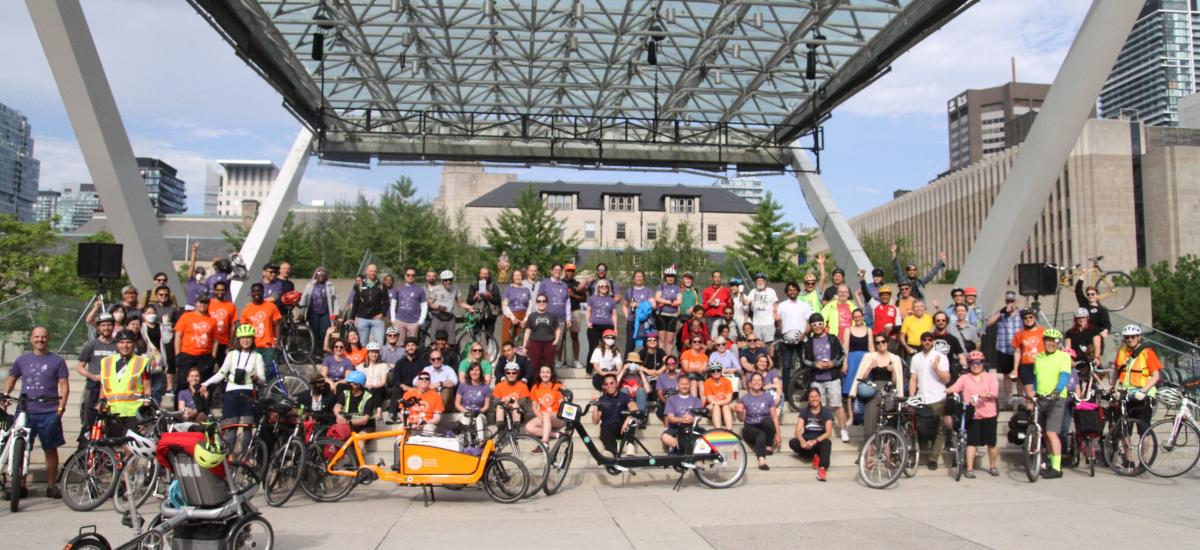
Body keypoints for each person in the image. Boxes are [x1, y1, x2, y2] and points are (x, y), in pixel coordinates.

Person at [3, 326, 69, 498]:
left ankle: (51, 486)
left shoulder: (57, 360)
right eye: (37, 337)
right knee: (21, 448)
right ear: (31, 339)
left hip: (49, 410)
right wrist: (4, 395)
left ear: (49, 338)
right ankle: (20, 486)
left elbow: (64, 385)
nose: (40, 339)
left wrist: (61, 409)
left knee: (50, 449)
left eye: (43, 337)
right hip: (25, 410)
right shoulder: (22, 360)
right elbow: (11, 379)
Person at [201, 324, 264, 449]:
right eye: (242, 338)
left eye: (248, 338)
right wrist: (206, 383)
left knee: (247, 428)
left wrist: (257, 378)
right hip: (232, 393)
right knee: (230, 428)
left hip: (248, 394)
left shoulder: (257, 356)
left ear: (252, 339)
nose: (245, 340)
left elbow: (263, 380)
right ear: (238, 340)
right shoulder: (232, 354)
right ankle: (228, 456)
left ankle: (245, 456)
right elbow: (221, 373)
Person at [945, 351, 1000, 478]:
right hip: (972, 415)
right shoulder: (965, 378)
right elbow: (955, 388)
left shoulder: (990, 377)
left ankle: (993, 466)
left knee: (991, 443)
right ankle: (969, 469)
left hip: (988, 414)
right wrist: (944, 391)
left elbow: (995, 393)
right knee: (971, 443)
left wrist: (986, 394)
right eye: (973, 363)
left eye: (979, 363)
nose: (976, 366)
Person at [1030, 329, 1072, 479]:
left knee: (1051, 433)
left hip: (1056, 399)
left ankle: (1057, 467)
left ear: (1058, 343)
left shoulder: (1064, 357)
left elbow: (1065, 376)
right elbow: (1036, 377)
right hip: (1041, 398)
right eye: (1048, 340)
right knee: (1044, 434)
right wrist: (1033, 392)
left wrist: (1057, 390)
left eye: (1053, 341)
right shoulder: (1039, 357)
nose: (1050, 343)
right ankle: (1050, 461)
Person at [802, 313, 848, 442]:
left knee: (837, 403)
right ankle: (820, 431)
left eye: (819, 323)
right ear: (811, 326)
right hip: (816, 378)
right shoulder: (809, 342)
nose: (817, 326)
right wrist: (815, 364)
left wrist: (834, 363)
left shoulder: (833, 338)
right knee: (817, 406)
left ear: (824, 324)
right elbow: (804, 359)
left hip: (833, 376)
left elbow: (842, 354)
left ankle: (843, 430)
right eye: (814, 324)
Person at [848, 334, 905, 438]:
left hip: (889, 390)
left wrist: (892, 371)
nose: (881, 344)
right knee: (870, 419)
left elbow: (896, 382)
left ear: (887, 343)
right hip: (873, 390)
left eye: (883, 341)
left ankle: (887, 448)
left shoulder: (895, 358)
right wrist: (870, 367)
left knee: (888, 420)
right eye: (878, 342)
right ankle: (868, 449)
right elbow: (861, 376)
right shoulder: (869, 356)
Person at [909, 332, 950, 470]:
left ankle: (934, 458)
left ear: (933, 341)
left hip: (937, 397)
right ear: (921, 341)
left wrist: (936, 369)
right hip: (921, 397)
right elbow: (913, 378)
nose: (927, 342)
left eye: (929, 339)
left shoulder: (941, 357)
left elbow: (947, 379)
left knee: (940, 429)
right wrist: (911, 397)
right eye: (924, 339)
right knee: (920, 427)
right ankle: (919, 454)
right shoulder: (916, 358)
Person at [99, 329, 151, 437]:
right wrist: (101, 402)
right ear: (117, 344)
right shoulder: (106, 362)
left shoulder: (142, 362)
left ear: (134, 344)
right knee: (112, 448)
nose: (125, 346)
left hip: (133, 413)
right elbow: (104, 385)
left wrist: (145, 414)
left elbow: (147, 389)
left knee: (130, 448)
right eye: (122, 342)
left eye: (129, 342)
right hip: (112, 412)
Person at [76, 312, 117, 437]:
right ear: (98, 327)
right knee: (89, 420)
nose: (106, 328)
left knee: (111, 422)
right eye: (103, 325)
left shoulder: (119, 344)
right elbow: (79, 367)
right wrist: (94, 377)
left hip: (113, 388)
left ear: (113, 326)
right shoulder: (92, 345)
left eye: (109, 325)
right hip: (93, 386)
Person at [1113, 324, 1161, 424]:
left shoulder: (1147, 353)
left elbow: (1156, 376)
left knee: (1144, 431)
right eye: (1127, 337)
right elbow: (1116, 370)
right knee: (1123, 430)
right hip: (1125, 394)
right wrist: (1112, 386)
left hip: (1142, 394)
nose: (1130, 339)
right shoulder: (1122, 352)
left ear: (1139, 337)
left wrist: (1143, 391)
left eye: (1133, 337)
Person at [776, 281, 813, 400]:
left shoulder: (805, 305)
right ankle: (786, 393)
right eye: (790, 290)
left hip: (802, 339)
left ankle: (806, 391)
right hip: (786, 341)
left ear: (798, 291)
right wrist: (780, 330)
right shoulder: (781, 305)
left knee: (805, 364)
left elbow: (810, 322)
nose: (792, 292)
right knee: (786, 366)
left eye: (794, 289)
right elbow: (778, 323)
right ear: (786, 292)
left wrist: (804, 334)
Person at [174, 295, 218, 395]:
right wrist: (178, 354)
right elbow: (178, 336)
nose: (203, 305)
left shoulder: (212, 320)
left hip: (204, 356)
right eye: (201, 302)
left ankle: (201, 407)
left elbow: (215, 340)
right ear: (196, 303)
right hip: (187, 354)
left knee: (203, 383)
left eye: (205, 303)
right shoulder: (186, 316)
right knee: (183, 382)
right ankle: (179, 407)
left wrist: (213, 357)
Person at [737, 372, 780, 470]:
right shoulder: (744, 398)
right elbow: (741, 419)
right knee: (761, 434)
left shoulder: (768, 397)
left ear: (763, 383)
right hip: (750, 429)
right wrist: (739, 412)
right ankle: (761, 460)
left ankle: (769, 445)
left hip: (763, 426)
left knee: (768, 421)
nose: (757, 382)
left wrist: (778, 435)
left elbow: (774, 417)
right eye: (754, 380)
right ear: (750, 383)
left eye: (759, 380)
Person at [790, 388, 834, 481]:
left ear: (820, 397)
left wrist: (814, 441)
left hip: (819, 441)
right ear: (808, 399)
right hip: (807, 440)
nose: (814, 399)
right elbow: (797, 431)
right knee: (793, 442)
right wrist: (802, 441)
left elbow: (828, 432)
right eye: (811, 397)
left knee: (827, 443)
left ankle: (822, 469)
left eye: (816, 396)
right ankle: (813, 456)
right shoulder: (804, 412)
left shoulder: (826, 412)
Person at [987, 291, 1022, 404]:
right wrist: (1001, 312)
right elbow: (988, 323)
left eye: (1012, 301)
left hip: (1018, 349)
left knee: (1020, 374)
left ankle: (1021, 396)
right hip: (1004, 348)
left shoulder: (1021, 313)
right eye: (1008, 301)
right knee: (1006, 375)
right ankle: (1008, 397)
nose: (1010, 303)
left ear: (1016, 301)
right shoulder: (1001, 314)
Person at [593, 373, 638, 457]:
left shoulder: (624, 396)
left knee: (632, 420)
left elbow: (634, 407)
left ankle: (630, 445)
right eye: (606, 384)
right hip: (609, 430)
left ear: (616, 383)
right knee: (605, 430)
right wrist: (596, 405)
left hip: (622, 429)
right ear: (604, 386)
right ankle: (610, 451)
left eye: (611, 383)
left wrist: (627, 420)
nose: (609, 386)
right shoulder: (602, 399)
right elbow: (595, 421)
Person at [240, 283, 282, 366]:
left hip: (268, 346)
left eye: (259, 291)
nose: (257, 293)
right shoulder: (247, 309)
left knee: (271, 371)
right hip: (252, 346)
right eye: (254, 291)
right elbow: (242, 329)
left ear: (263, 292)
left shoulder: (271, 306)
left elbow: (277, 325)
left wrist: (277, 341)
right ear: (251, 293)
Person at [348, 264, 389, 345]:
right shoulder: (360, 285)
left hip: (377, 319)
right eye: (371, 271)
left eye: (375, 271)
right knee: (363, 344)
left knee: (379, 344)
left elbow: (386, 302)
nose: (373, 273)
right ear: (366, 272)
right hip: (362, 319)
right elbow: (355, 302)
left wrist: (382, 314)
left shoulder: (381, 285)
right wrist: (352, 317)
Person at [661, 374, 703, 452]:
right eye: (682, 384)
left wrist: (693, 419)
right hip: (676, 428)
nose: (685, 386)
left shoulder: (696, 400)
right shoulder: (671, 400)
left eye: (687, 384)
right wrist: (681, 420)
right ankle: (682, 448)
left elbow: (699, 417)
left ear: (690, 385)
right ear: (678, 385)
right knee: (665, 437)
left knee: (709, 436)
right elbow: (670, 418)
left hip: (692, 427)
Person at [525, 365, 565, 445]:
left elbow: (562, 406)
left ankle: (545, 443)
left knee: (546, 414)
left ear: (551, 374)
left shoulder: (557, 386)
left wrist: (547, 416)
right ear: (539, 374)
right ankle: (556, 434)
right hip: (543, 416)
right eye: (543, 372)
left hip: (557, 418)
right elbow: (534, 407)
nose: (545, 374)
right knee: (528, 427)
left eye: (547, 372)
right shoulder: (535, 387)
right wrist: (541, 417)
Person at [1010, 308, 1045, 397]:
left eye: (1030, 317)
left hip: (1041, 364)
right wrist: (1015, 369)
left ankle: (1041, 410)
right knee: (1030, 394)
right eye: (1025, 318)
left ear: (1034, 318)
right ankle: (1031, 410)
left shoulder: (1043, 331)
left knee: (1042, 391)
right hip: (1026, 366)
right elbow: (1017, 352)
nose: (1028, 319)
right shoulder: (1019, 334)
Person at [523, 294, 562, 372]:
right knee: (534, 364)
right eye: (539, 301)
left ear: (547, 303)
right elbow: (527, 331)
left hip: (549, 343)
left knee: (548, 365)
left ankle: (550, 382)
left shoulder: (552, 315)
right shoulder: (532, 316)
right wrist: (524, 346)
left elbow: (557, 329)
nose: (541, 303)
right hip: (534, 343)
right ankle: (535, 382)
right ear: (536, 303)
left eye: (544, 301)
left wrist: (556, 340)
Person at [429, 270, 468, 347]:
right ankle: (434, 355)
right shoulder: (436, 289)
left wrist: (471, 307)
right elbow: (430, 303)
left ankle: (448, 355)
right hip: (438, 316)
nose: (448, 282)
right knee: (435, 340)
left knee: (450, 341)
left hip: (450, 316)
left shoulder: (456, 289)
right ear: (442, 281)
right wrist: (438, 307)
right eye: (445, 280)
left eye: (450, 279)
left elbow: (460, 302)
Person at [842, 309, 871, 412]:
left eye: (859, 316)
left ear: (863, 317)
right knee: (851, 387)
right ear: (853, 318)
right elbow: (845, 347)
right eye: (855, 316)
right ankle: (850, 415)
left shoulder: (868, 330)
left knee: (864, 387)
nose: (858, 318)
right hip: (852, 360)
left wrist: (872, 363)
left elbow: (871, 347)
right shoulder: (848, 330)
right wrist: (845, 363)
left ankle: (863, 414)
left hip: (865, 360)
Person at [389, 266, 426, 343]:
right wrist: (393, 320)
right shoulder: (398, 288)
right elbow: (393, 304)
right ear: (405, 276)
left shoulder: (420, 290)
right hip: (399, 321)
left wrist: (420, 322)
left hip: (414, 323)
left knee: (412, 346)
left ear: (415, 277)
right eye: (408, 275)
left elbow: (424, 306)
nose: (410, 277)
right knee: (398, 344)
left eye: (413, 275)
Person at [456, 362, 491, 442]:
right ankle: (466, 442)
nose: (474, 372)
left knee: (477, 418)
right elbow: (457, 403)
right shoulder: (463, 385)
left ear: (481, 372)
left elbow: (486, 406)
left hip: (480, 414)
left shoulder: (486, 387)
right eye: (472, 370)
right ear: (469, 372)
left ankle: (480, 441)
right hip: (465, 412)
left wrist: (479, 411)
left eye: (477, 370)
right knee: (465, 418)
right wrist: (466, 411)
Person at [586, 279, 619, 363]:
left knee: (608, 347)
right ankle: (589, 371)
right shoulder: (592, 298)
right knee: (593, 348)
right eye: (601, 286)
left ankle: (607, 367)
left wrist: (615, 328)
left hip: (608, 326)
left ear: (608, 288)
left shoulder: (611, 300)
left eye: (606, 286)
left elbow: (614, 314)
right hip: (594, 326)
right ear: (598, 288)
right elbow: (588, 311)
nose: (604, 288)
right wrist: (588, 322)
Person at [207, 281, 237, 372]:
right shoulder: (208, 303)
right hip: (209, 342)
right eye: (218, 290)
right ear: (214, 291)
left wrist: (231, 343)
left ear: (226, 292)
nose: (220, 292)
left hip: (223, 341)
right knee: (208, 367)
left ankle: (223, 386)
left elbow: (233, 325)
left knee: (224, 369)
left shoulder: (230, 306)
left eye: (223, 290)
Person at [930, 312, 968, 383]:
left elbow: (961, 356)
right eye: (938, 320)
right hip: (931, 373)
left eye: (943, 320)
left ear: (946, 322)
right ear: (934, 322)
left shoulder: (953, 339)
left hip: (948, 373)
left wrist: (964, 369)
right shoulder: (929, 339)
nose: (941, 322)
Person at [744, 273, 778, 352]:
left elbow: (775, 305)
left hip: (769, 322)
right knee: (758, 344)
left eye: (761, 281)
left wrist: (776, 319)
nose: (759, 282)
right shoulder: (753, 292)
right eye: (757, 281)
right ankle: (760, 361)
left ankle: (771, 362)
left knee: (770, 344)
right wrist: (741, 293)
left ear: (765, 281)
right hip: (756, 323)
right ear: (755, 282)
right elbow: (746, 302)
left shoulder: (771, 291)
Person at [623, 270, 655, 353]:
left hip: (644, 321)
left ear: (643, 278)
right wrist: (627, 317)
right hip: (632, 320)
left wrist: (639, 305)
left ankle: (645, 363)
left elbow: (654, 305)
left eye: (641, 276)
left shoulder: (648, 291)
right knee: (630, 343)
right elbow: (624, 306)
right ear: (633, 279)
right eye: (637, 276)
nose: (639, 278)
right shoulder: (629, 291)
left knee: (646, 343)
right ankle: (626, 363)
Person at [1075, 278, 1112, 350]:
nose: (1090, 296)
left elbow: (1107, 324)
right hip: (1083, 337)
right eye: (1088, 294)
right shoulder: (1084, 304)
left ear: (1097, 295)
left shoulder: (1101, 309)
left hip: (1095, 338)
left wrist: (1106, 330)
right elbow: (1078, 290)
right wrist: (1082, 277)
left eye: (1092, 294)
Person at [654, 266, 683, 356]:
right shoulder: (661, 286)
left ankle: (668, 360)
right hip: (661, 314)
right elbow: (657, 298)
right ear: (665, 277)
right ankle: (661, 359)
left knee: (670, 340)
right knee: (661, 339)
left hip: (672, 316)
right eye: (668, 276)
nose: (670, 278)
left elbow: (679, 301)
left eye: (672, 276)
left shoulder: (677, 288)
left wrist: (665, 301)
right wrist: (670, 302)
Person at [492, 363, 531, 427]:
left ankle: (515, 432)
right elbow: (495, 403)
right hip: (502, 412)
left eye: (513, 373)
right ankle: (500, 431)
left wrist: (511, 400)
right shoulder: (499, 385)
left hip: (518, 412)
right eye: (508, 373)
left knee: (515, 406)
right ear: (505, 374)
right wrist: (505, 400)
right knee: (499, 407)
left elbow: (522, 403)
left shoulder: (523, 386)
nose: (511, 375)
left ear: (517, 374)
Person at [562, 263, 586, 369]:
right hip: (562, 312)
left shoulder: (577, 284)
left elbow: (584, 298)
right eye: (568, 270)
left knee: (574, 337)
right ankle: (559, 360)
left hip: (574, 311)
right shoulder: (560, 283)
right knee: (560, 337)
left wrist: (574, 295)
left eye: (572, 271)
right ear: (565, 271)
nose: (570, 273)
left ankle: (576, 360)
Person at [467, 266, 502, 337]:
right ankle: (478, 347)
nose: (484, 276)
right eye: (482, 274)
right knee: (476, 336)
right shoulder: (473, 285)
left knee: (490, 336)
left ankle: (490, 347)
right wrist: (475, 297)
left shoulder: (493, 286)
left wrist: (490, 296)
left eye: (486, 274)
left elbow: (498, 300)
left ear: (488, 275)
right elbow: (469, 301)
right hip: (476, 314)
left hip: (490, 315)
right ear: (479, 275)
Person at [501, 269, 531, 347]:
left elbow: (530, 306)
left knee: (521, 341)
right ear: (512, 277)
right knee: (507, 341)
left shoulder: (526, 290)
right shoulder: (508, 289)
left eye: (519, 275)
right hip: (510, 317)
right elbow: (504, 305)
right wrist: (513, 318)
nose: (518, 277)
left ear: (522, 277)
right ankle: (505, 358)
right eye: (515, 275)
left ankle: (520, 358)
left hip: (523, 318)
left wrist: (525, 319)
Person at [702, 362, 734, 429]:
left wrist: (715, 402)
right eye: (713, 370)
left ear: (721, 371)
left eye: (718, 370)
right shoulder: (707, 382)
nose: (716, 372)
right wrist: (715, 403)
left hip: (724, 407)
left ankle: (730, 430)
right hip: (712, 409)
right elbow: (710, 400)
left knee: (725, 406)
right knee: (716, 407)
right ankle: (718, 430)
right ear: (710, 372)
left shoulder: (727, 381)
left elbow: (728, 399)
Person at [654, 356, 681, 421]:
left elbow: (685, 391)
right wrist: (667, 403)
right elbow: (660, 393)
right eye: (668, 363)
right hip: (665, 400)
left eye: (673, 363)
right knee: (667, 408)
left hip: (679, 400)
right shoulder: (661, 377)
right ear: (666, 365)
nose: (671, 365)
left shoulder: (681, 376)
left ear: (676, 364)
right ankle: (667, 428)